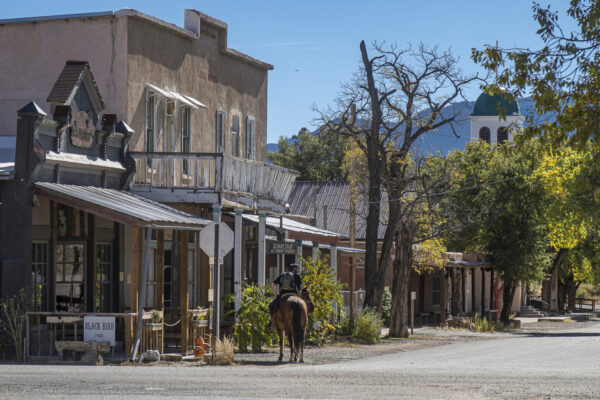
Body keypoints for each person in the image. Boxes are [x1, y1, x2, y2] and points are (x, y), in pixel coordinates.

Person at [266, 263, 302, 332]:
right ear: (296, 269)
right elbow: (300, 288)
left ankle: (272, 323)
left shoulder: (283, 274)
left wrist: (275, 294)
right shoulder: (297, 275)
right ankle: (302, 323)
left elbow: (273, 284)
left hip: (282, 294)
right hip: (293, 293)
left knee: (271, 306)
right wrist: (298, 296)